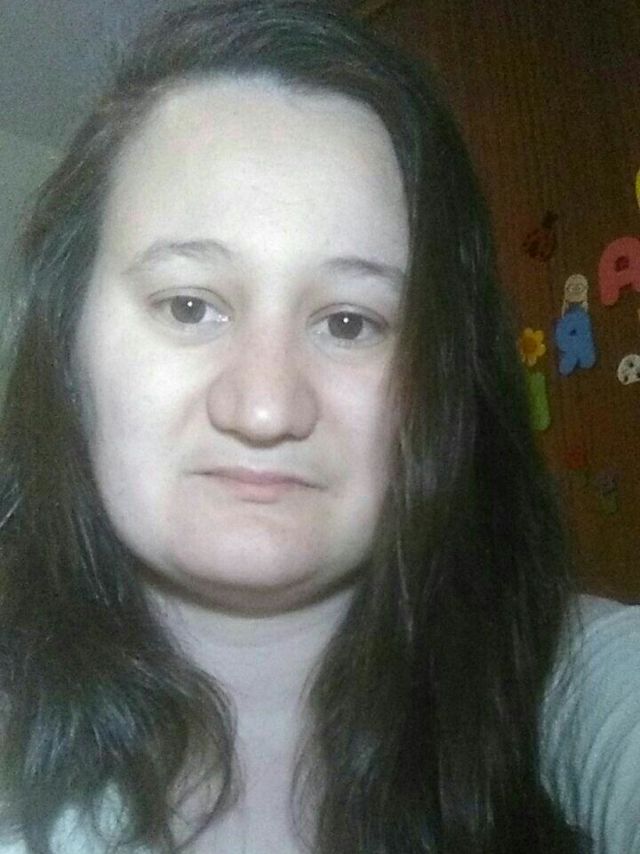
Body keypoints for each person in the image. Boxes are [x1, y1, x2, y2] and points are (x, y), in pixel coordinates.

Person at [0, 1, 638, 852]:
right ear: (68, 348)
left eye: (348, 322)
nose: (266, 408)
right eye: (189, 306)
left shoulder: (572, 682)